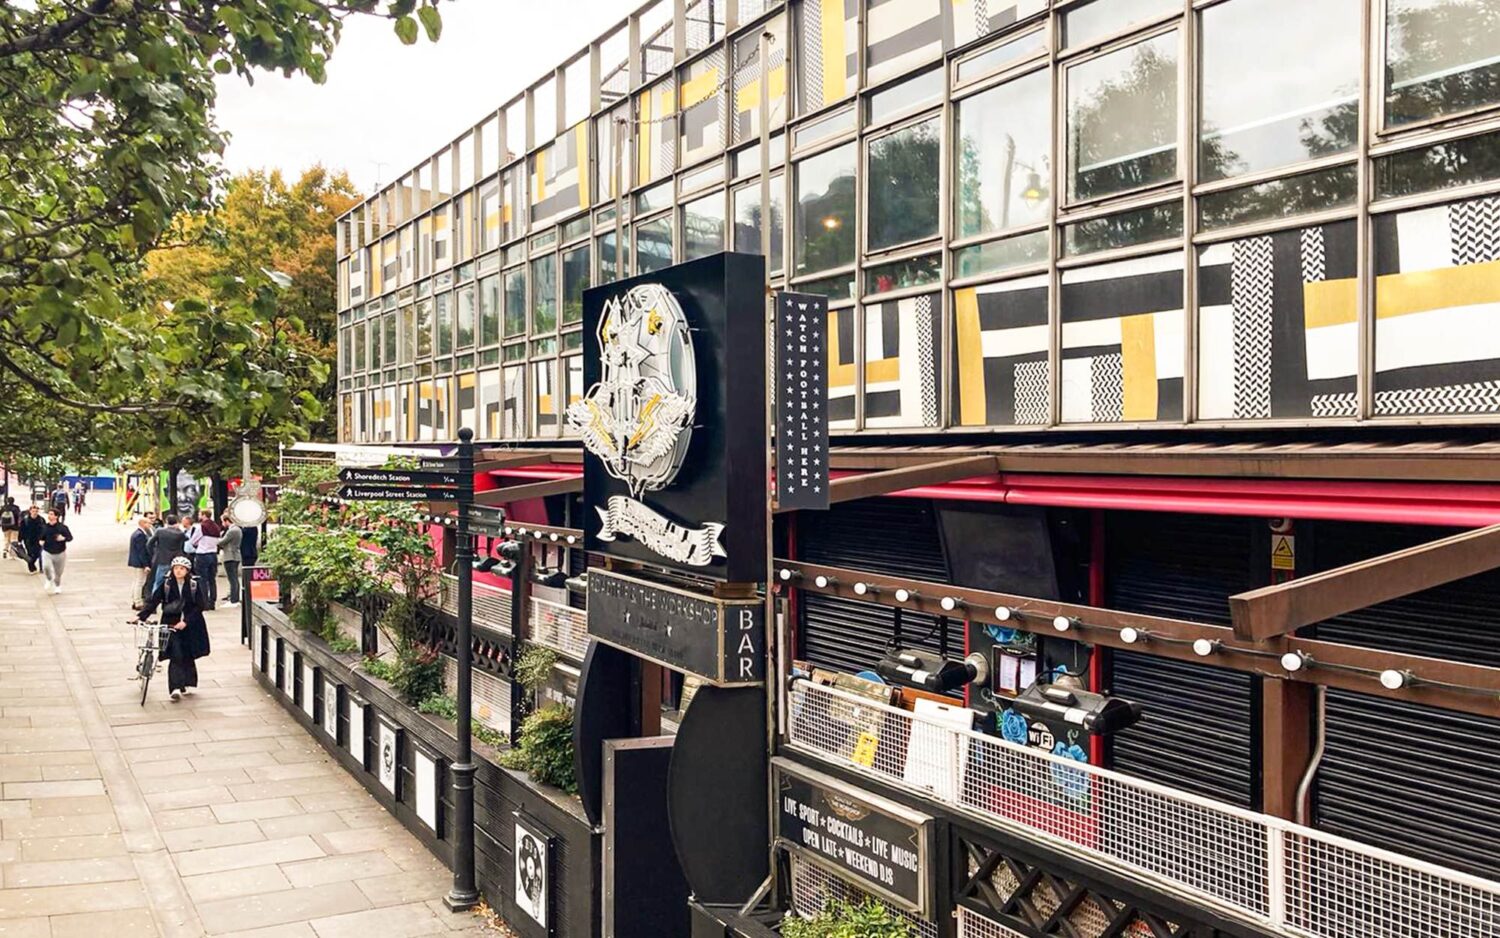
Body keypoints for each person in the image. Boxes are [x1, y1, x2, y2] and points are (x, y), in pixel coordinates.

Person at [136, 556, 211, 701]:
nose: (178, 571)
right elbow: (154, 601)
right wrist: (141, 616)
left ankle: (188, 682)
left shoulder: (194, 585)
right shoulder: (167, 584)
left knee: (188, 654)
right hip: (171, 624)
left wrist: (186, 621)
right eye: (176, 568)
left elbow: (200, 605)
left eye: (182, 569)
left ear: (187, 571)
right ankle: (175, 687)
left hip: (191, 625)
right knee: (176, 654)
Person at [188, 509, 222, 610]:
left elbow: (193, 540)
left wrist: (196, 544)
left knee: (202, 579)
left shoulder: (201, 527)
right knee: (212, 579)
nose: (199, 516)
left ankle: (204, 602)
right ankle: (212, 602)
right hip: (213, 554)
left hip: (202, 554)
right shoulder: (216, 526)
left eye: (200, 514)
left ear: (203, 515)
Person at [148, 514, 190, 594]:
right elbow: (186, 538)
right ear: (177, 522)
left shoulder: (160, 531)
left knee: (158, 581)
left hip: (163, 559)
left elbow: (149, 543)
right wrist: (179, 529)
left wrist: (153, 553)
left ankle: (153, 599)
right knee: (177, 581)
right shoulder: (179, 533)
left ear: (166, 522)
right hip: (176, 561)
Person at [40, 508, 72, 594]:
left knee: (58, 572)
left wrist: (63, 538)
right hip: (47, 551)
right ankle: (49, 579)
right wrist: (41, 541)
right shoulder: (44, 527)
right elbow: (41, 537)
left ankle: (57, 586)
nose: (49, 516)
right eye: (49, 514)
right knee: (45, 567)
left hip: (60, 552)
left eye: (51, 514)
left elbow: (70, 538)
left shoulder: (62, 527)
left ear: (56, 516)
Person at [128, 516, 154, 608]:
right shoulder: (140, 535)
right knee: (140, 582)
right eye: (148, 523)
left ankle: (134, 599)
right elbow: (141, 551)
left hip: (135, 561)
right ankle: (138, 602)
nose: (150, 525)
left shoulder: (137, 533)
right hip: (139, 562)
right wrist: (146, 565)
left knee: (136, 581)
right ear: (142, 524)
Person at [218, 514, 243, 607]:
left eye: (223, 521)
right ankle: (235, 598)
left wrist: (217, 539)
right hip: (236, 555)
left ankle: (233, 599)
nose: (222, 524)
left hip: (230, 556)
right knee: (235, 578)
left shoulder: (232, 531)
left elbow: (222, 542)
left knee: (232, 578)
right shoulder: (238, 529)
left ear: (227, 521)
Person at [17, 505, 43, 574]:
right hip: (28, 540)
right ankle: (31, 568)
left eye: (36, 511)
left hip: (38, 540)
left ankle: (32, 565)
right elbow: (21, 530)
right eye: (33, 511)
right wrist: (19, 540)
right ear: (30, 511)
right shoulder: (25, 520)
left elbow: (44, 529)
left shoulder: (41, 520)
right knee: (30, 554)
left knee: (37, 554)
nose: (35, 513)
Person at [0, 496, 20, 560]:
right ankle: (12, 554)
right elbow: (19, 516)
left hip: (5, 526)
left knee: (6, 539)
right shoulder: (16, 508)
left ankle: (5, 550)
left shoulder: (3, 507)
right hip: (15, 526)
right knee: (13, 539)